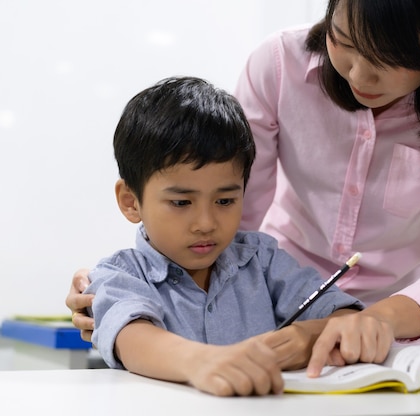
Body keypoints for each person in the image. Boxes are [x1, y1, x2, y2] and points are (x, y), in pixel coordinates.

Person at [67, 0, 420, 377]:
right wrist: (116, 292)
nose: (359, 75)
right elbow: (228, 215)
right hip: (281, 303)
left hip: (398, 319)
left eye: (388, 59)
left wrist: (378, 317)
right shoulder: (280, 66)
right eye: (342, 41)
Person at [81, 76, 363, 396]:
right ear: (131, 201)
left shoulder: (263, 261)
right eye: (181, 202)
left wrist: (311, 334)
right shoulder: (120, 275)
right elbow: (132, 336)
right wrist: (202, 362)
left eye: (225, 201)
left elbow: (344, 316)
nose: (206, 223)